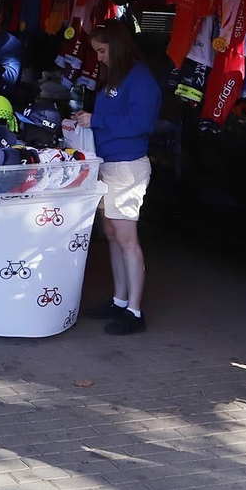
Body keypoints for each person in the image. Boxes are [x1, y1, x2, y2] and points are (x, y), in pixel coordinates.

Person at [73, 21, 161, 335]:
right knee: (112, 234)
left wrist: (96, 119)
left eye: (101, 50)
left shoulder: (140, 79)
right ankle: (120, 300)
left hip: (127, 166)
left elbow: (138, 123)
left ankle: (135, 311)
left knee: (126, 240)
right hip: (109, 164)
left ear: (117, 46)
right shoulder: (117, 77)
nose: (98, 57)